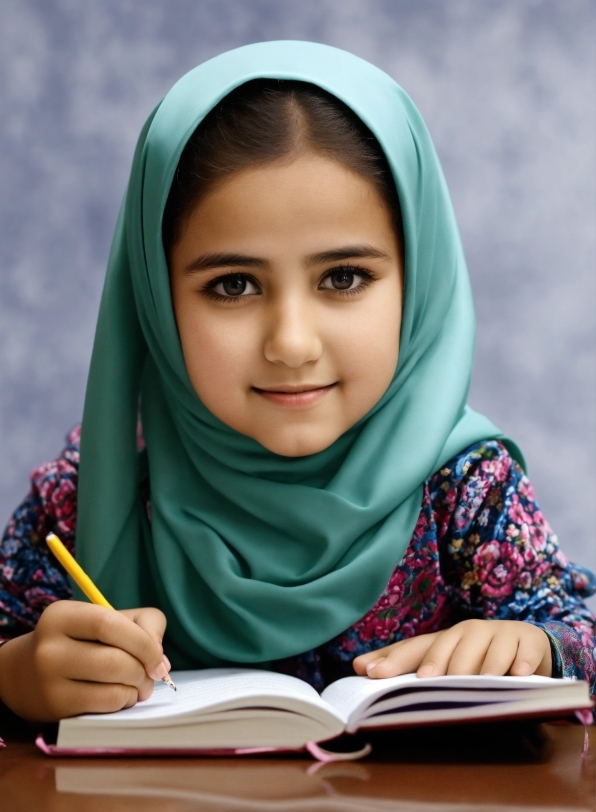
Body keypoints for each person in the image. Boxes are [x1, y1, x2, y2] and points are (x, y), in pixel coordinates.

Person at [0, 42, 594, 724]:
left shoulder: (463, 485)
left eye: (342, 278)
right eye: (233, 285)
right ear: (157, 303)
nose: (290, 343)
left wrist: (534, 648)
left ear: (419, 281)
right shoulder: (95, 490)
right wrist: (16, 675)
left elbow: (577, 634)